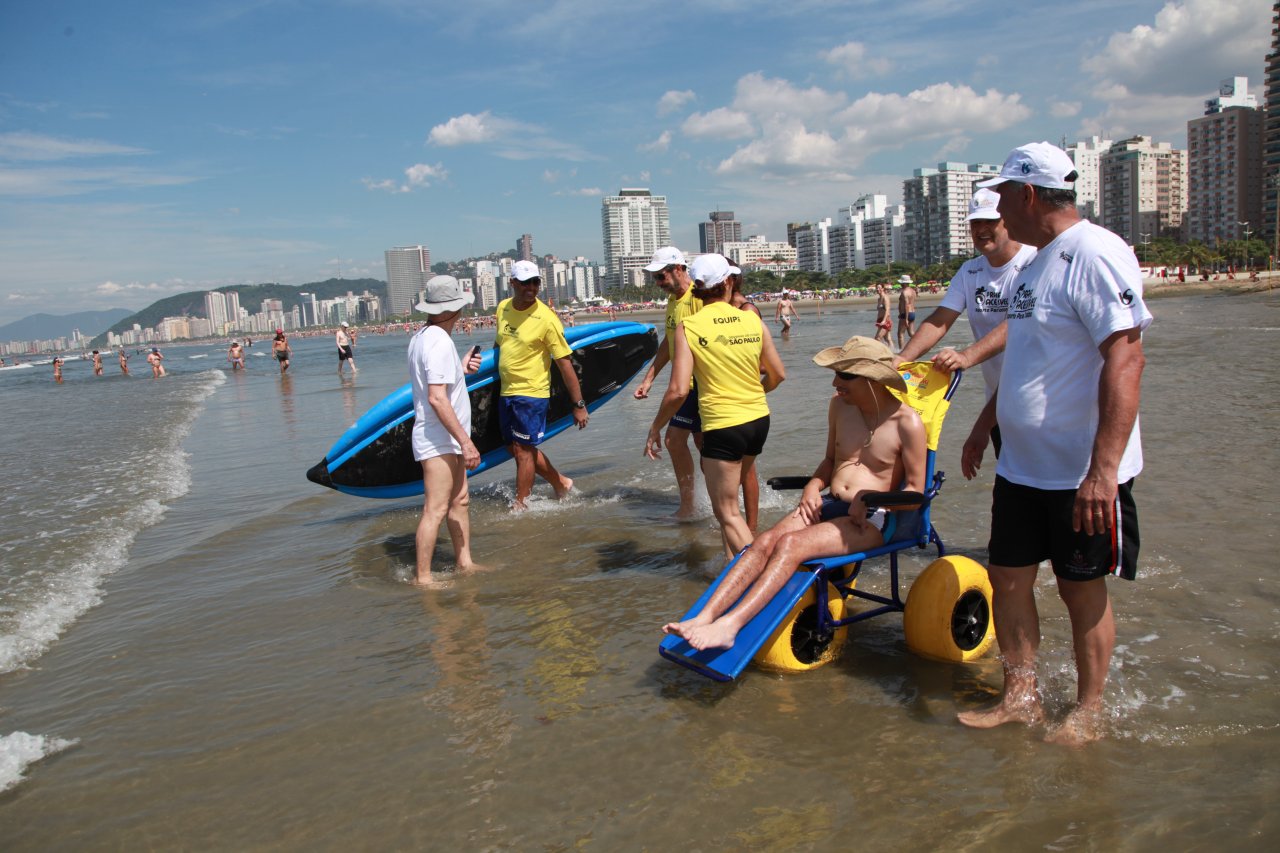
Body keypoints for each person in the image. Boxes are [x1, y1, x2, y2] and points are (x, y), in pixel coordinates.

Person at [958, 141, 1152, 746]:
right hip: (1022, 467)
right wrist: (985, 424)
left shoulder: (1095, 252)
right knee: (1007, 578)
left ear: (1029, 195)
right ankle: (1021, 697)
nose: (996, 209)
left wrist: (1104, 471)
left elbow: (1126, 357)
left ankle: (1089, 710)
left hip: (1079, 471)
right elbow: (1028, 363)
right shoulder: (1037, 264)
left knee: (1078, 588)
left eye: (1002, 196)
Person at [662, 336, 925, 651]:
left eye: (843, 376)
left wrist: (869, 499)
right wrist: (814, 485)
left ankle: (730, 626)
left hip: (871, 518)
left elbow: (915, 492)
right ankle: (705, 617)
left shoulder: (907, 422)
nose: (834, 382)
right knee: (762, 543)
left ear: (870, 379)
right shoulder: (840, 407)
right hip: (829, 504)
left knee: (789, 545)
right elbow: (830, 461)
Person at [643, 253, 785, 557]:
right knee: (730, 502)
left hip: (723, 424)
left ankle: (766, 574)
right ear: (728, 282)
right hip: (759, 420)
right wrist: (754, 394)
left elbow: (679, 390)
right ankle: (730, 569)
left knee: (728, 513)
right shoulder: (751, 319)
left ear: (697, 286)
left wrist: (656, 426)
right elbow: (777, 374)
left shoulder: (690, 327)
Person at [894, 188, 1037, 457]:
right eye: (975, 223)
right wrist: (902, 359)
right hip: (999, 404)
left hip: (1039, 402)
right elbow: (940, 319)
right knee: (1011, 488)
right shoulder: (970, 270)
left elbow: (1019, 322)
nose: (981, 230)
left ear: (1008, 219)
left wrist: (966, 356)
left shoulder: (1034, 261)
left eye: (990, 222)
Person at [408, 275, 483, 586]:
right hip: (439, 437)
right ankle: (423, 579)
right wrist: (466, 442)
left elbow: (438, 385)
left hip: (444, 437)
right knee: (436, 509)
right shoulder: (438, 342)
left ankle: (464, 563)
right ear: (457, 310)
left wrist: (461, 370)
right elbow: (437, 397)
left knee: (460, 501)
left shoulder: (423, 336)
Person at [496, 260, 589, 511]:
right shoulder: (503, 307)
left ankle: (521, 504)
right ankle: (561, 483)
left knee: (524, 450)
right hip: (506, 390)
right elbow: (500, 344)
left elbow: (565, 364)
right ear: (512, 283)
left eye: (535, 282)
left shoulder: (546, 319)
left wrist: (578, 404)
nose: (531, 287)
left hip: (532, 393)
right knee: (513, 448)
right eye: (525, 282)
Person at [632, 247, 704, 520]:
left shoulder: (699, 297)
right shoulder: (674, 301)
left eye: (661, 277)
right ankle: (694, 505)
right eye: (655, 279)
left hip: (702, 385)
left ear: (678, 268)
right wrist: (649, 378)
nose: (658, 284)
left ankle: (707, 504)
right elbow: (669, 342)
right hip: (685, 385)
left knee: (689, 442)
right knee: (680, 442)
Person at [896, 275, 918, 349]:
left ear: (904, 283)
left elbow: (907, 305)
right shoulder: (913, 291)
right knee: (911, 333)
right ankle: (921, 345)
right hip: (912, 313)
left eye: (901, 283)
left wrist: (905, 318)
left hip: (906, 314)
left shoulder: (904, 292)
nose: (900, 284)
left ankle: (901, 351)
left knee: (900, 334)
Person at [873, 282, 893, 347]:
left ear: (883, 288)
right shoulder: (879, 299)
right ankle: (893, 352)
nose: (877, 289)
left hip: (885, 321)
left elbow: (887, 310)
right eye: (877, 288)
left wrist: (884, 321)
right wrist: (878, 320)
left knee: (877, 338)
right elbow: (880, 311)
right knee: (888, 339)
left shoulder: (885, 297)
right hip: (880, 321)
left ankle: (882, 352)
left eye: (879, 288)